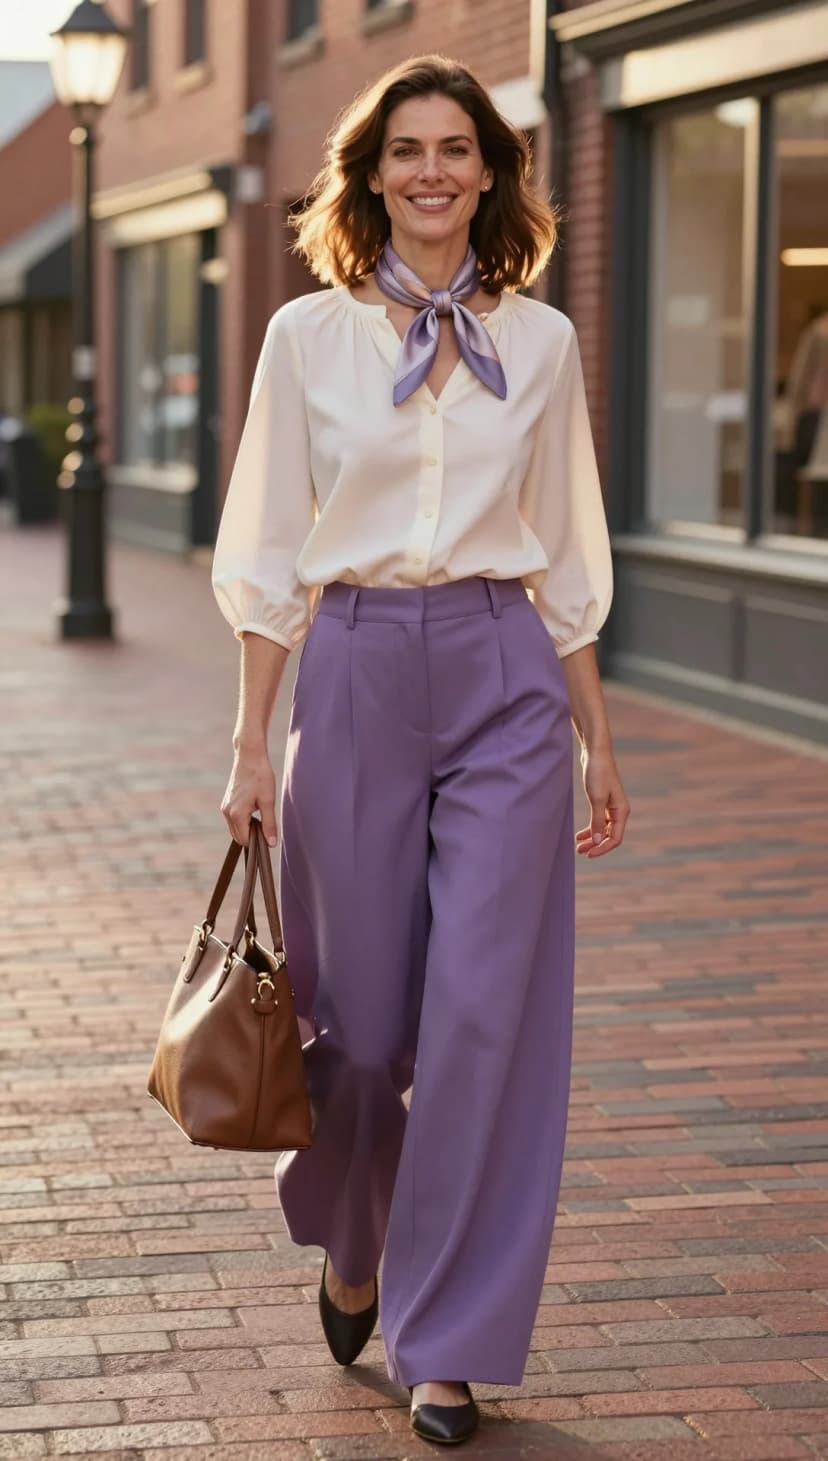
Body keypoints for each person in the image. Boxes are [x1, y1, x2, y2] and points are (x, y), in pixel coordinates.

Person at [211, 53, 629, 1448]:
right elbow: (271, 548)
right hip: (359, 665)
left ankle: (448, 1342)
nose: (435, 171)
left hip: (509, 672)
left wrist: (597, 737)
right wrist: (249, 741)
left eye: (460, 148)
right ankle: (352, 1230)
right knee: (369, 1022)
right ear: (371, 174)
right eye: (408, 151)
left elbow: (568, 550)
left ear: (494, 172)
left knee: (482, 1025)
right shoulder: (306, 339)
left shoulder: (547, 344)